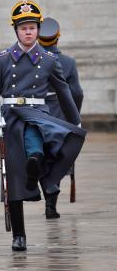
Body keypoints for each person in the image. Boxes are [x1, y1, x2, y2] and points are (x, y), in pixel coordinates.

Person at [0, 0, 86, 251]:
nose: (28, 32)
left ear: (38, 30)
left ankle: (36, 167)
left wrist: (75, 122)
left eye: (32, 27)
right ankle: (19, 235)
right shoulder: (3, 59)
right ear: (15, 30)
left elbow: (64, 92)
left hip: (38, 114)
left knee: (36, 145)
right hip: (10, 118)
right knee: (14, 179)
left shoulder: (49, 60)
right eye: (23, 28)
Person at [38, 17, 84, 219]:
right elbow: (77, 93)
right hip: (62, 114)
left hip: (38, 112)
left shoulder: (34, 60)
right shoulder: (68, 62)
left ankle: (49, 197)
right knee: (60, 157)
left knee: (44, 156)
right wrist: (74, 115)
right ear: (58, 37)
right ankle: (51, 203)